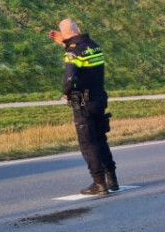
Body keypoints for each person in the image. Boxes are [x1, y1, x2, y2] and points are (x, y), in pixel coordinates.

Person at [49, 19, 118, 196]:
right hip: (99, 98)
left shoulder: (73, 52)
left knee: (88, 143)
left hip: (83, 103)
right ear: (78, 30)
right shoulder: (95, 46)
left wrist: (66, 91)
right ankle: (112, 179)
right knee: (101, 139)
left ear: (65, 35)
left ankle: (99, 183)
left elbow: (70, 77)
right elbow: (84, 61)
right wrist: (66, 43)